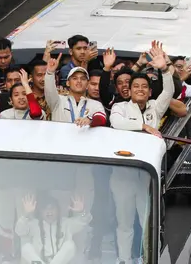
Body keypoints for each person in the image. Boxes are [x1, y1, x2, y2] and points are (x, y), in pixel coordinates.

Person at [110, 45, 174, 264]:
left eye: (143, 87)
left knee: (149, 222)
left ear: (148, 91)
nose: (139, 89)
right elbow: (116, 123)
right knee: (124, 222)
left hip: (148, 176)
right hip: (123, 175)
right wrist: (145, 127)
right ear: (129, 89)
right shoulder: (119, 108)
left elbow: (168, 93)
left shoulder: (155, 107)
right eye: (135, 86)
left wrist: (164, 70)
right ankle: (124, 260)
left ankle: (149, 257)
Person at [15, 193, 92, 264]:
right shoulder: (34, 224)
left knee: (70, 245)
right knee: (26, 247)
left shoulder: (66, 223)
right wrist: (25, 215)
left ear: (58, 210)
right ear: (41, 212)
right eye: (45, 209)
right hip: (40, 261)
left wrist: (82, 212)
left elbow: (85, 221)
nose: (49, 212)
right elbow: (19, 231)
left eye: (52, 208)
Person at [44, 53, 106, 127]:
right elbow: (49, 90)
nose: (79, 81)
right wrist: (50, 73)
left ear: (87, 85)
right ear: (68, 83)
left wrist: (90, 119)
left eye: (83, 78)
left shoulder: (95, 104)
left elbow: (102, 119)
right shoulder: (58, 101)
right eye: (75, 78)